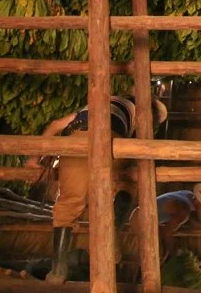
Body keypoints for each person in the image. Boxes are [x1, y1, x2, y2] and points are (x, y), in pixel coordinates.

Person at [36, 94, 167, 285]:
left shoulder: (96, 103)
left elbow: (56, 124)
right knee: (128, 181)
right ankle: (112, 234)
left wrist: (35, 157)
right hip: (111, 140)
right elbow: (137, 150)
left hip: (75, 141)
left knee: (68, 204)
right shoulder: (140, 113)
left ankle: (57, 271)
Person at [157, 184, 201, 261]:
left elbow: (189, 214)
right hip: (142, 224)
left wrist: (199, 226)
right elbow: (167, 232)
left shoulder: (188, 195)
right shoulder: (184, 210)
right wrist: (174, 256)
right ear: (200, 202)